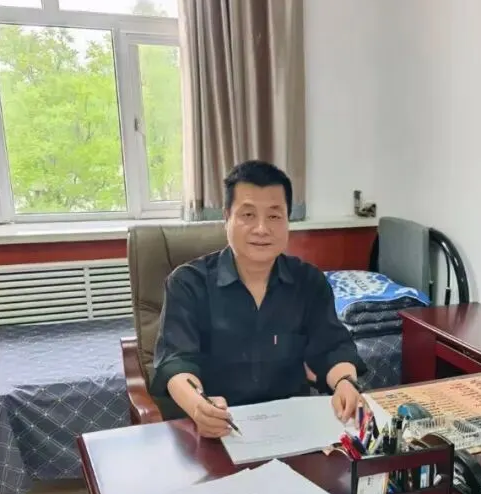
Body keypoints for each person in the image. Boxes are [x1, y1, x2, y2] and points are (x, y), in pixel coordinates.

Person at [150, 160, 365, 438]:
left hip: (292, 428)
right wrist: (198, 406)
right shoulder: (188, 283)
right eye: (248, 215)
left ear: (288, 221)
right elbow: (176, 362)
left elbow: (332, 348)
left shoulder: (308, 281)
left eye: (274, 216)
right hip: (218, 430)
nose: (262, 228)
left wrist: (346, 383)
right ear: (227, 217)